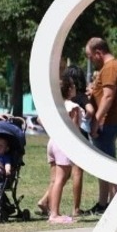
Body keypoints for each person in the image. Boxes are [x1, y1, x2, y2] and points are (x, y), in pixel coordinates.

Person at [84, 37, 117, 216]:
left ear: (98, 53)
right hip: (106, 123)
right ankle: (103, 203)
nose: (90, 60)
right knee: (104, 165)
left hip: (106, 124)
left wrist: (97, 121)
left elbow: (108, 97)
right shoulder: (108, 68)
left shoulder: (110, 68)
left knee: (109, 165)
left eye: (90, 56)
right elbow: (103, 93)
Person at [40, 76, 82, 224]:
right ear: (69, 89)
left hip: (52, 142)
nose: (75, 88)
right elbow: (75, 128)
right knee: (61, 179)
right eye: (74, 86)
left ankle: (51, 210)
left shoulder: (54, 105)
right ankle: (55, 215)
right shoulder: (73, 107)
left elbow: (39, 119)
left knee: (54, 179)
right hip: (64, 144)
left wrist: (52, 131)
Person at [62, 64, 95, 217]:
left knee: (62, 172)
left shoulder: (62, 97)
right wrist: (87, 119)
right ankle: (76, 208)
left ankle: (45, 200)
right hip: (79, 133)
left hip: (64, 134)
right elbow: (90, 110)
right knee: (77, 172)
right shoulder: (81, 96)